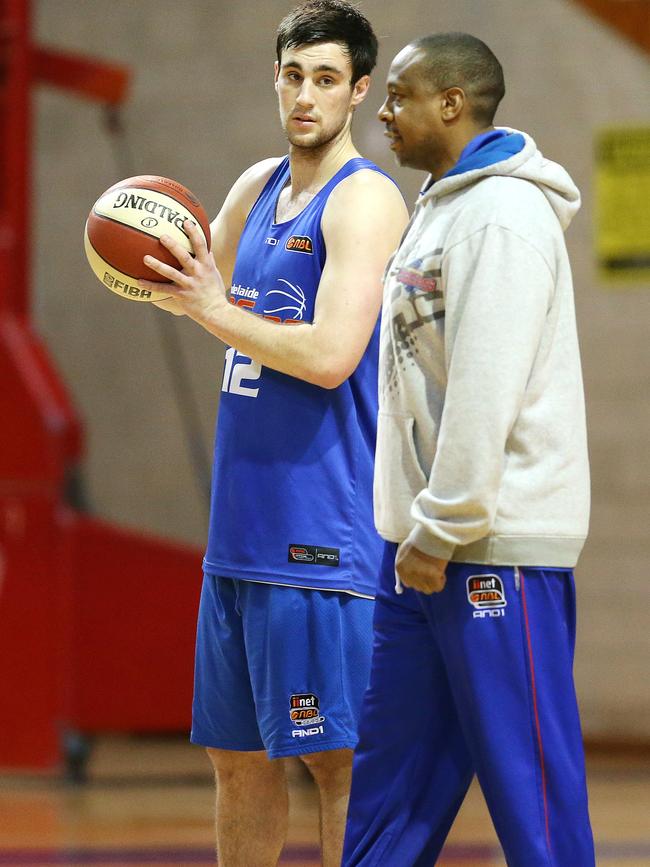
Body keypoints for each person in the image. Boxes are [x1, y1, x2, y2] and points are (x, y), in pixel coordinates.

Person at [138, 2, 408, 865]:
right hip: (240, 531)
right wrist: (135, 251)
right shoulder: (254, 187)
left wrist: (216, 308)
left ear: (359, 90)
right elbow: (197, 295)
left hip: (319, 532)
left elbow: (332, 354)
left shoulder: (364, 200)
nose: (305, 95)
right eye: (293, 75)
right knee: (239, 757)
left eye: (326, 79)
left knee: (336, 760)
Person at [342, 32, 595, 867]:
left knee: (533, 795)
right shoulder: (441, 205)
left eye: (401, 94)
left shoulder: (504, 216)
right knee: (391, 786)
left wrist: (444, 524)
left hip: (490, 550)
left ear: (452, 103)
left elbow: (486, 385)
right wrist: (414, 529)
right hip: (418, 549)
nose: (383, 110)